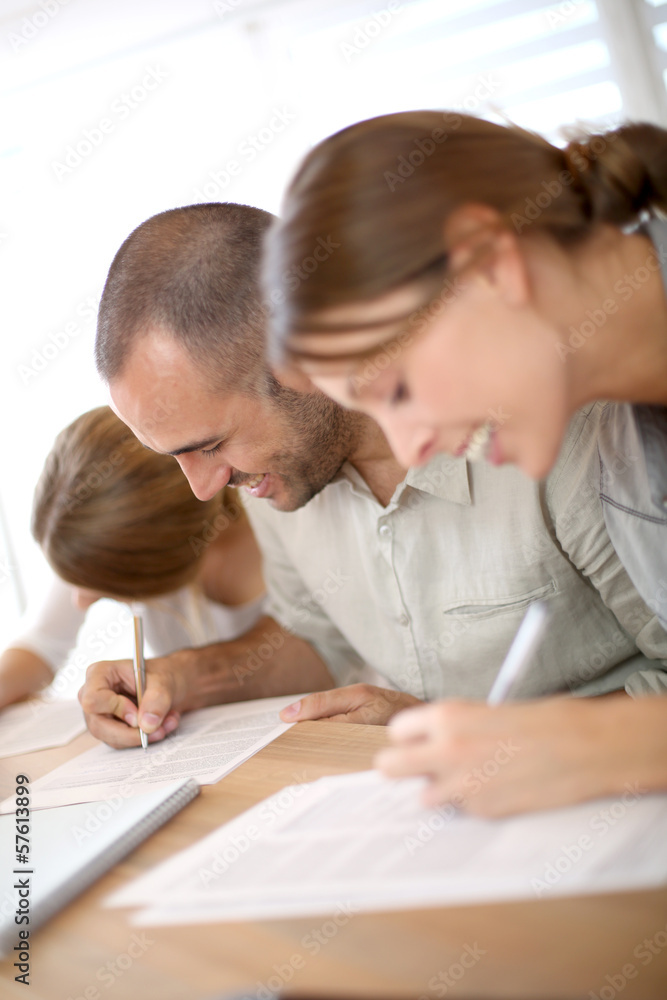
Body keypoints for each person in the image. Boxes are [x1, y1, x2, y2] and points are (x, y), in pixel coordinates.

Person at [79, 201, 667, 759]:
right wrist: (180, 676)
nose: (203, 488)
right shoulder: (269, 474)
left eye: (209, 446)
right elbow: (317, 639)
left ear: (298, 359)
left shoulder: (564, 436)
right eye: (175, 457)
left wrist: (482, 742)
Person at [262, 110, 667, 813]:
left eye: (396, 389)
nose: (409, 447)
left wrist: (604, 743)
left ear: (490, 262)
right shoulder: (623, 440)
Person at [0, 406, 266, 739]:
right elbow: (41, 643)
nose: (80, 602)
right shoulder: (100, 536)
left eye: (99, 585)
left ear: (157, 551)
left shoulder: (277, 541)